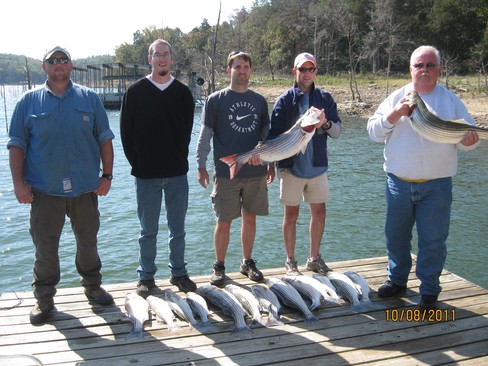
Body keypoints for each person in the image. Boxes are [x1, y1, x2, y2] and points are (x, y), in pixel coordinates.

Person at [7, 46, 115, 325]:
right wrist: (18, 184)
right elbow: (16, 146)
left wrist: (107, 176)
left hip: (85, 190)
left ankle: (92, 287)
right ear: (44, 67)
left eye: (63, 60)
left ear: (71, 65)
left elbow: (105, 139)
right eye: (52, 61)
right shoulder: (27, 102)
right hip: (45, 192)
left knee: (88, 244)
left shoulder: (89, 98)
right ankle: (44, 300)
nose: (58, 64)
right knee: (45, 248)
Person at [367, 45, 480, 310]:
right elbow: (373, 132)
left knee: (433, 241)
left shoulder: (451, 101)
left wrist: (470, 140)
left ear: (439, 69)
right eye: (419, 65)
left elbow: (467, 143)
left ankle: (429, 291)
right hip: (398, 183)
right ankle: (397, 281)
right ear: (411, 69)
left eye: (430, 65)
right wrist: (396, 114)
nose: (424, 70)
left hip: (437, 186)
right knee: (396, 237)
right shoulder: (395, 97)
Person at [120, 39, 196, 297]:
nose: (161, 59)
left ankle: (179, 273)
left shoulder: (183, 93)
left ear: (171, 58)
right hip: (146, 176)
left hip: (177, 174)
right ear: (149, 58)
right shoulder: (135, 92)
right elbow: (125, 135)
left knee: (178, 229)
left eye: (166, 54)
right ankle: (146, 277)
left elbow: (186, 132)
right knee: (147, 230)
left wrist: (177, 159)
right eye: (157, 55)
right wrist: (139, 164)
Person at [196, 51, 274, 287]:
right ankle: (219, 266)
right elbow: (205, 135)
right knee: (224, 221)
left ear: (251, 70)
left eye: (246, 67)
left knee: (250, 218)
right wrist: (200, 164)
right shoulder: (215, 100)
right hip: (225, 173)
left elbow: (266, 136)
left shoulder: (259, 101)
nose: (242, 71)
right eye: (237, 66)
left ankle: (247, 262)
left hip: (255, 172)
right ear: (229, 70)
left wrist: (270, 163)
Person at [267, 52, 342, 276]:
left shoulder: (325, 98)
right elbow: (273, 135)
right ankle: (290, 261)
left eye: (311, 69)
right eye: (302, 69)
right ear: (294, 72)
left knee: (319, 213)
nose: (307, 73)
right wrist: (269, 164)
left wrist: (325, 122)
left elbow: (337, 132)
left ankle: (314, 259)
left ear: (316, 71)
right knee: (291, 215)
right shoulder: (283, 100)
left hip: (317, 167)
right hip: (290, 167)